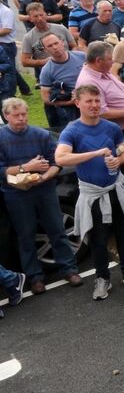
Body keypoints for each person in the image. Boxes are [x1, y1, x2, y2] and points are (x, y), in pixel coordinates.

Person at [55, 84, 124, 301]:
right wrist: (94, 153)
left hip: (116, 188)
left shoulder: (111, 127)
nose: (94, 105)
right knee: (98, 237)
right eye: (89, 101)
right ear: (77, 103)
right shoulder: (72, 130)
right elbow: (61, 158)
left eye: (97, 101)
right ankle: (102, 277)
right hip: (93, 194)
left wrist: (119, 159)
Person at [0, 98, 83, 292]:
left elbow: (57, 162)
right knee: (25, 236)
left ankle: (69, 269)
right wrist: (26, 168)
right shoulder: (2, 138)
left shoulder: (40, 134)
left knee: (57, 230)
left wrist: (44, 176)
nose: (22, 119)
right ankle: (35, 277)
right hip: (16, 194)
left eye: (24, 114)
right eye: (17, 115)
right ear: (6, 116)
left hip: (44, 190)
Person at [76, 40, 124, 169]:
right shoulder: (89, 82)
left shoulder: (103, 71)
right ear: (98, 60)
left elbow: (117, 95)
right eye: (109, 59)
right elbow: (102, 113)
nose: (113, 62)